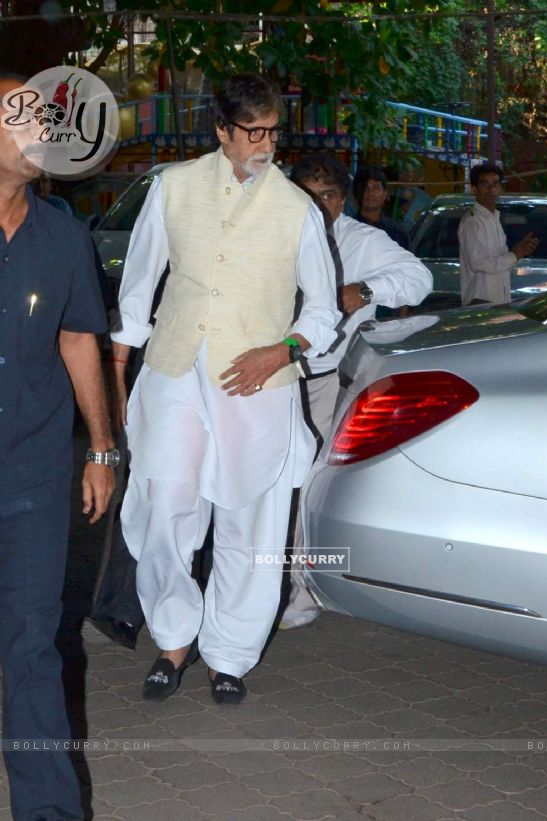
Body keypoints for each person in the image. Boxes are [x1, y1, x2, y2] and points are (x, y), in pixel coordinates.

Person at [110, 73, 340, 705]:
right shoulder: (173, 187)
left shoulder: (297, 208)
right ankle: (174, 638)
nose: (265, 143)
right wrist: (123, 356)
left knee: (250, 521)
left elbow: (322, 311)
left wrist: (283, 349)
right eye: (253, 131)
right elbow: (140, 278)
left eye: (273, 131)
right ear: (221, 129)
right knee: (166, 509)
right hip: (176, 368)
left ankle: (230, 654)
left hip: (255, 385)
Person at [0, 73, 116, 821]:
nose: (44, 130)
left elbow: (79, 340)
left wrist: (102, 449)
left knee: (34, 648)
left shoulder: (64, 235)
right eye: (25, 118)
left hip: (34, 477)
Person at [280, 152, 433, 629]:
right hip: (270, 378)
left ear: (342, 199)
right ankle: (253, 585)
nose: (318, 205)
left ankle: (305, 589)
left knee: (308, 489)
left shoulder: (363, 240)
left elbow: (419, 279)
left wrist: (363, 291)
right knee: (265, 486)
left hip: (325, 379)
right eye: (307, 195)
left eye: (327, 196)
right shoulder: (275, 233)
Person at [458, 162, 538, 306]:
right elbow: (479, 263)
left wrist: (519, 250)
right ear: (474, 189)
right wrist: (515, 255)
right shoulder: (473, 222)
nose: (491, 189)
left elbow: (498, 259)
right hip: (481, 303)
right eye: (485, 184)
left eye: (495, 184)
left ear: (500, 188)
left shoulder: (493, 218)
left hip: (498, 301)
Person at [353, 165, 410, 250]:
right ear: (357, 193)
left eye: (376, 188)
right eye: (365, 187)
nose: (370, 193)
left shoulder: (397, 233)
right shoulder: (347, 229)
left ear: (385, 194)